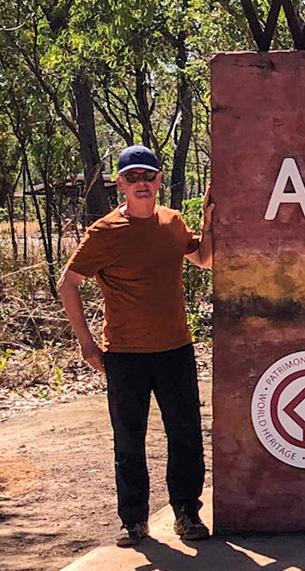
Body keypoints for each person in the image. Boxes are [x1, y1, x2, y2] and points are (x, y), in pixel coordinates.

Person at [58, 145, 215, 546]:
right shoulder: (104, 232)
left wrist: (210, 222)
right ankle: (134, 521)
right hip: (125, 354)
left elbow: (204, 259)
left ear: (160, 180)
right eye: (132, 178)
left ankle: (186, 512)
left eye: (148, 176)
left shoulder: (172, 222)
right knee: (130, 439)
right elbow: (68, 284)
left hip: (175, 348)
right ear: (120, 184)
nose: (141, 184)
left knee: (186, 435)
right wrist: (86, 343)